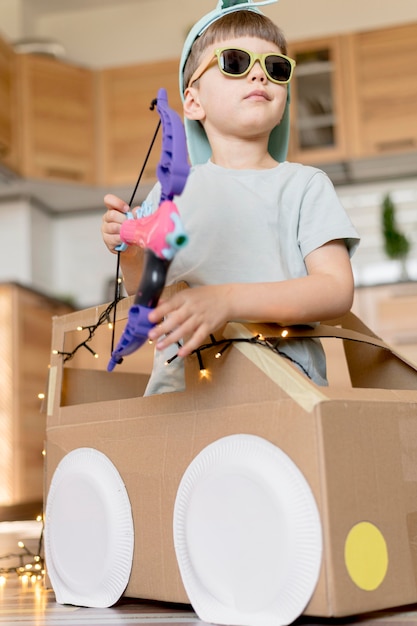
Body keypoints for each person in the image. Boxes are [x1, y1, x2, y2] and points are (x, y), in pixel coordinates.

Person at [101, 0, 360, 394]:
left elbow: (336, 290)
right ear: (193, 102)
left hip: (285, 390)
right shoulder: (174, 190)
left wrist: (227, 300)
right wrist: (131, 250)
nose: (259, 75)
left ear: (285, 99)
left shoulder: (305, 185)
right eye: (235, 62)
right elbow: (143, 289)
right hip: (180, 393)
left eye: (275, 68)